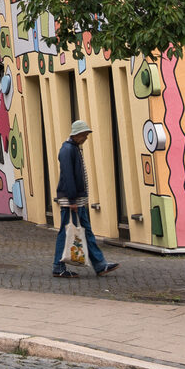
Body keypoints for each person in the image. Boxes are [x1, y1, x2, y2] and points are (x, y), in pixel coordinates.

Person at [52, 119, 118, 279]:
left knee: (86, 230)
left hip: (76, 200)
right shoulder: (68, 150)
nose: (86, 138)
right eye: (84, 134)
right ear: (77, 134)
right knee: (66, 231)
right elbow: (68, 176)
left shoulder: (73, 148)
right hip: (71, 200)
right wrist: (73, 199)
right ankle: (58, 266)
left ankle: (100, 265)